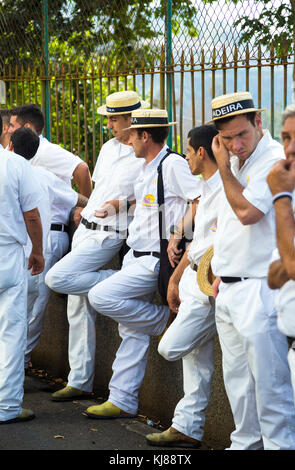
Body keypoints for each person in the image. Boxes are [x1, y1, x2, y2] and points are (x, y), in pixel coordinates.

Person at [81, 108, 201, 420]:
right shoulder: (146, 167)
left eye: (133, 135)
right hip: (135, 255)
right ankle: (122, 398)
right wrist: (124, 204)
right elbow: (149, 201)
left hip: (154, 260)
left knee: (101, 296)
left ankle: (163, 320)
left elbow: (200, 199)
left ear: (144, 136)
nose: (128, 140)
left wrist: (178, 233)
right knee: (130, 328)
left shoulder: (172, 164)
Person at [210, 91, 295, 449]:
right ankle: (244, 445)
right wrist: (223, 270)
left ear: (258, 122)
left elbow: (248, 213)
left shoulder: (273, 160)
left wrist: (222, 167)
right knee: (238, 385)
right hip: (231, 286)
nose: (235, 145)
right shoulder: (238, 163)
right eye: (227, 138)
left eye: (241, 134)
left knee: (271, 387)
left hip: (260, 289)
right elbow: (230, 224)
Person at [45, 91, 147, 401]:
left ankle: (113, 282)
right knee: (78, 305)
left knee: (58, 278)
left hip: (109, 235)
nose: (110, 125)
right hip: (85, 229)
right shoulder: (108, 148)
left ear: (132, 119)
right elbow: (101, 186)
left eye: (114, 119)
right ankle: (80, 380)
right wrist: (85, 208)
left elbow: (150, 193)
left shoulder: (148, 150)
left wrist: (121, 205)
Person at [146, 124, 221, 448]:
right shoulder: (208, 186)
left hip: (211, 285)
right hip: (191, 276)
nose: (186, 157)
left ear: (201, 153)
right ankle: (187, 426)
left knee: (170, 346)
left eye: (188, 151)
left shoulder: (227, 187)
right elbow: (198, 241)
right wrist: (176, 278)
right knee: (195, 361)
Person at [9, 127, 88, 370]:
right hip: (44, 242)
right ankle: (18, 362)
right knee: (35, 305)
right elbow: (80, 200)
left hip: (19, 244)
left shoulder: (9, 174)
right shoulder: (43, 176)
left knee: (18, 307)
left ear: (10, 147)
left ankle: (13, 363)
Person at [0, 114, 44, 424]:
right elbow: (31, 216)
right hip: (7, 255)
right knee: (11, 332)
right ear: (3, 130)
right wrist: (38, 251)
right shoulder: (16, 165)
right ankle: (6, 407)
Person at [267, 99, 295, 425]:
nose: (292, 148)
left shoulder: (286, 199)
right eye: (287, 137)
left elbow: (293, 268)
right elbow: (274, 275)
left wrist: (280, 199)